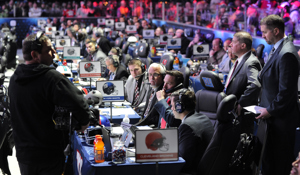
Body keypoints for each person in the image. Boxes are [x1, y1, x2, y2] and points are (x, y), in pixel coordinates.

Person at [8, 33, 90, 175]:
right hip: (48, 155)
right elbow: (80, 104)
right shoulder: (51, 78)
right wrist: (84, 123)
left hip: (24, 154)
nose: (54, 53)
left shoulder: (15, 77)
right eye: (49, 50)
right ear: (35, 55)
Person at [256, 14, 300, 175]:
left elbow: (286, 93)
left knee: (278, 165)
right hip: (273, 120)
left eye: (264, 32)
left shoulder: (287, 53)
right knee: (269, 163)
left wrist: (269, 111)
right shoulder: (279, 49)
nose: (262, 36)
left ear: (275, 31)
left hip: (281, 122)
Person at [225, 31, 262, 134]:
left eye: (233, 42)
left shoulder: (251, 62)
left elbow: (255, 84)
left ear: (243, 45)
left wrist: (241, 102)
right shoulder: (239, 60)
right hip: (233, 111)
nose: (230, 44)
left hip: (242, 114)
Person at [170, 89, 214, 174]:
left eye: (172, 105)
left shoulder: (187, 126)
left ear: (179, 107)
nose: (171, 108)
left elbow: (183, 162)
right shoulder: (203, 117)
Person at [135, 63, 165, 127]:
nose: (152, 78)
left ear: (163, 77)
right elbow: (146, 110)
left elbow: (157, 118)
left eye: (155, 74)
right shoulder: (151, 88)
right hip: (144, 121)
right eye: (150, 74)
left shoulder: (162, 94)